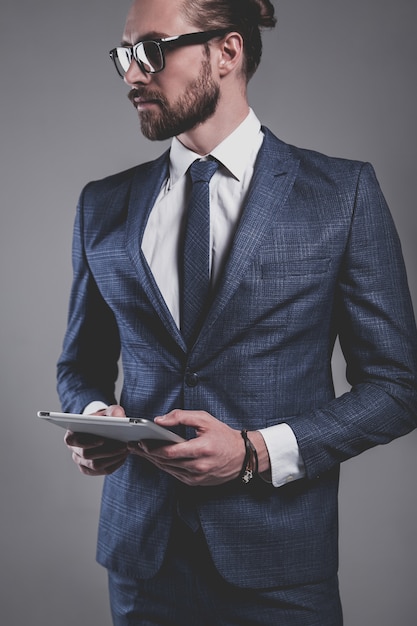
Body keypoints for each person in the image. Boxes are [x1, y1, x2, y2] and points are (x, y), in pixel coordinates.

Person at [58, 0, 417, 624]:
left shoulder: (341, 194)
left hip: (279, 565)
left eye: (151, 51)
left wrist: (254, 451)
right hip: (142, 562)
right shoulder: (103, 205)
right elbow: (81, 364)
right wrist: (94, 420)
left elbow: (398, 387)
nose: (131, 74)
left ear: (226, 52)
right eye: (123, 55)